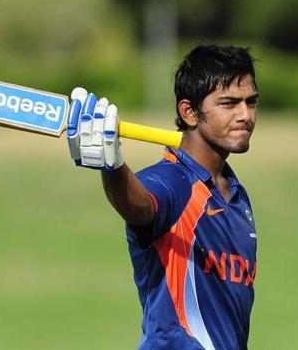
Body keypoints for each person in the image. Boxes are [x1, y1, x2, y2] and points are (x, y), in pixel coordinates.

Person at [67, 44, 259, 350]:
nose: (245, 115)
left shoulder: (237, 195)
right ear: (189, 112)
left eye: (251, 102)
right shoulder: (172, 181)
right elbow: (140, 206)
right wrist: (113, 166)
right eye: (229, 103)